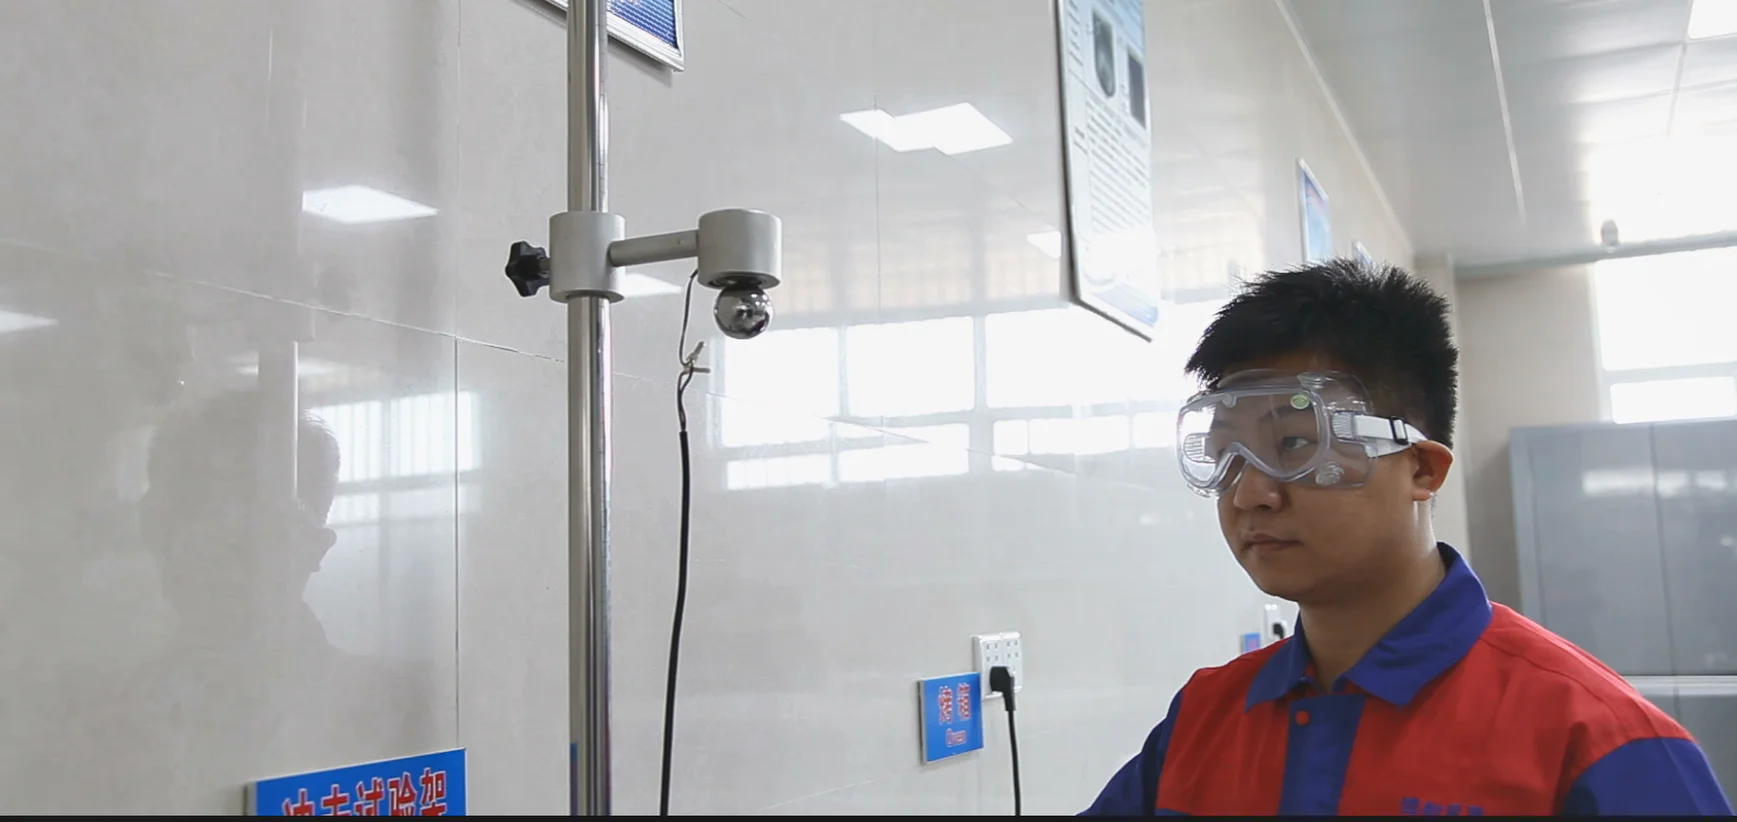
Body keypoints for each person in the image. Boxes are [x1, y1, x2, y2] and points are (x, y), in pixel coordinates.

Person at [1084, 259, 1732, 816]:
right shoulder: (1204, 716)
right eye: (1227, 453)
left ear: (1421, 469)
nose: (1250, 492)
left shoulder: (1596, 737)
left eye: (1296, 444)